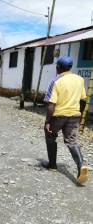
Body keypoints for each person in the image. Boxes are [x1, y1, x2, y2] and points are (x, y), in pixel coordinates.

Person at [42, 56, 89, 185]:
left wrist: (47, 122)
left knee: (50, 135)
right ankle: (81, 166)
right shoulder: (80, 80)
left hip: (58, 116)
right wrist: (79, 114)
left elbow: (51, 104)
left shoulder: (56, 81)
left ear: (58, 67)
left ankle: (52, 165)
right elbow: (83, 100)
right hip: (74, 115)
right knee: (72, 141)